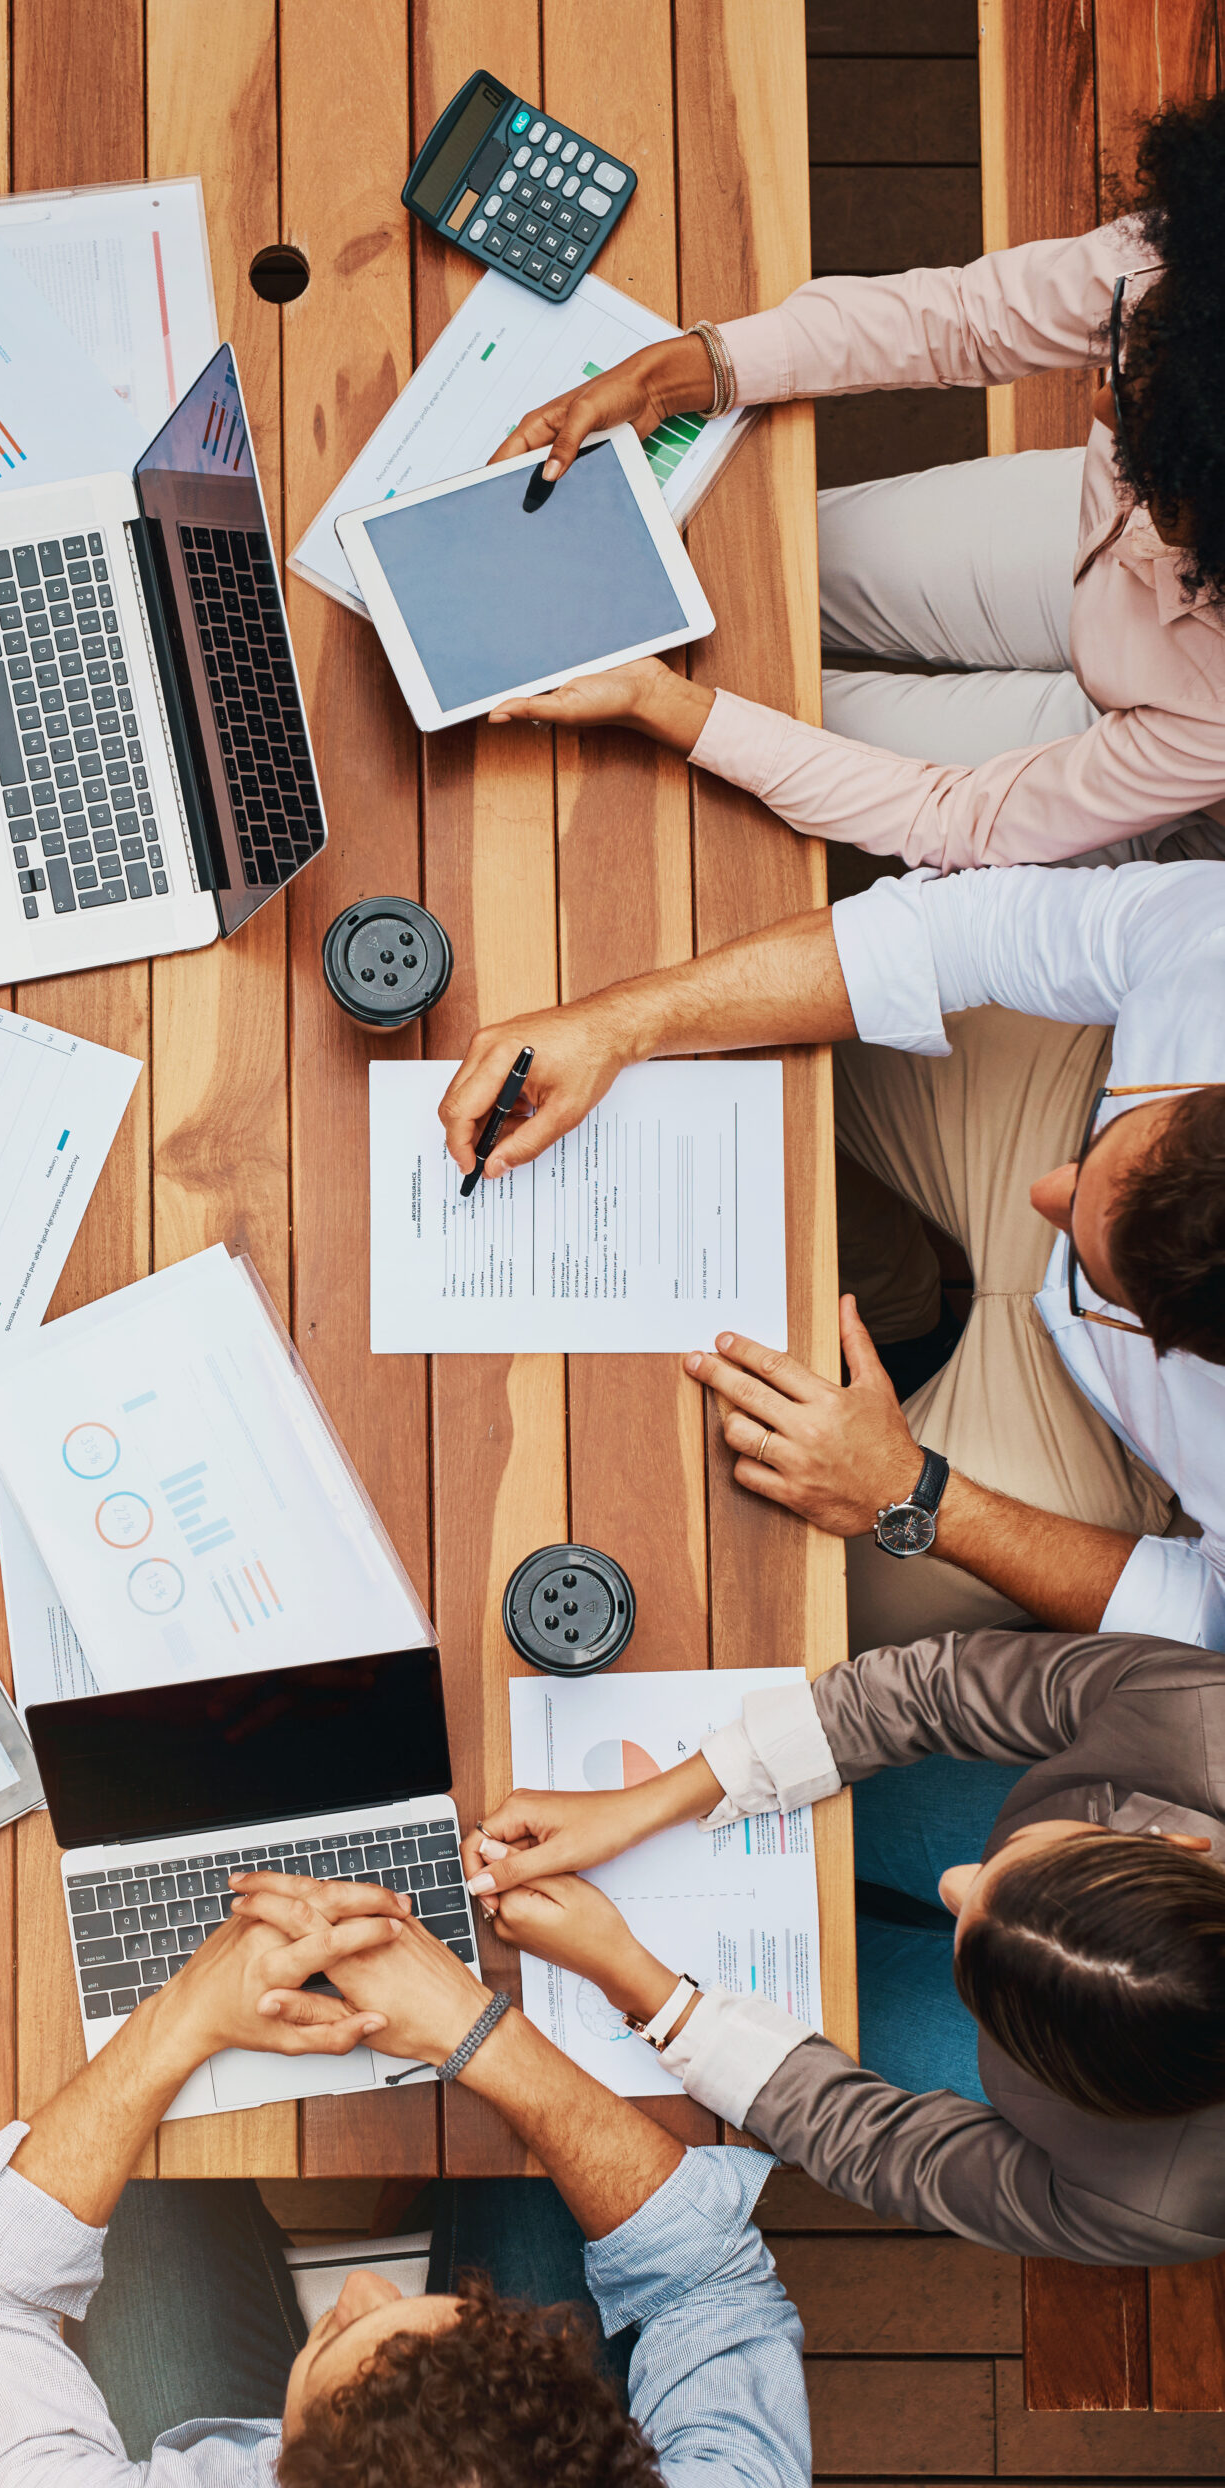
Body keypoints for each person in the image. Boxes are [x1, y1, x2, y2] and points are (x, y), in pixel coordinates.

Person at [440, 859, 1225, 1652]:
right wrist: (621, 1022)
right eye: (1092, 1165)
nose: (1042, 1195)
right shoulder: (1214, 952)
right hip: (1062, 1096)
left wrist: (911, 1493)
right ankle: (902, 1310)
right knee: (761, 1032)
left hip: (1111, 1432)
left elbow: (1205, 1616)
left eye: (1088, 1254)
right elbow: (951, 934)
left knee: (794, 1588)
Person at [0, 1874, 812, 2488]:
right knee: (553, 2138)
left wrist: (181, 2018)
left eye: (343, 2329)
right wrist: (476, 2028)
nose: (369, 2286)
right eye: (479, 2320)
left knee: (127, 2158)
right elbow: (707, 2279)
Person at [485, 96, 1225, 876]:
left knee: (760, 703)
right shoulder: (1193, 271)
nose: (1100, 402)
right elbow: (965, 318)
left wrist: (662, 704)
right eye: (1129, 354)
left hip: (1173, 744)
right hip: (1082, 551)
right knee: (743, 572)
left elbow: (956, 815)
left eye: (1142, 439)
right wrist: (666, 379)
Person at [460, 1627, 1225, 2264]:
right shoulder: (1198, 1723)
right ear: (1181, 1843)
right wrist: (643, 1805)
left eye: (969, 1926)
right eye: (1009, 1862)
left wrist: (640, 1986)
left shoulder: (1150, 2199)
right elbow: (937, 1689)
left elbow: (885, 2149)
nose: (952, 1883)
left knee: (838, 2015)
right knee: (847, 1813)